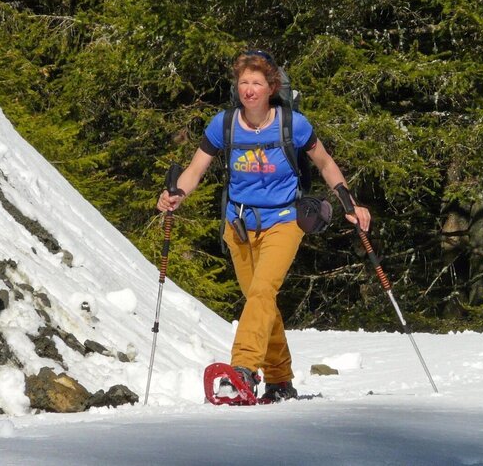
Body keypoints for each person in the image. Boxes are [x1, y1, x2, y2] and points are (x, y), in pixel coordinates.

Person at [156, 50, 371, 402]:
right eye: (243, 82)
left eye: (256, 82)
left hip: (284, 221)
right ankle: (280, 380)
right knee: (261, 302)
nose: (249, 90)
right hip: (238, 224)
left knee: (261, 293)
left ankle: (242, 368)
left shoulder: (292, 124)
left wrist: (350, 202)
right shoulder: (223, 125)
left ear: (271, 87)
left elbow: (326, 163)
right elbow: (195, 169)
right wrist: (177, 193)